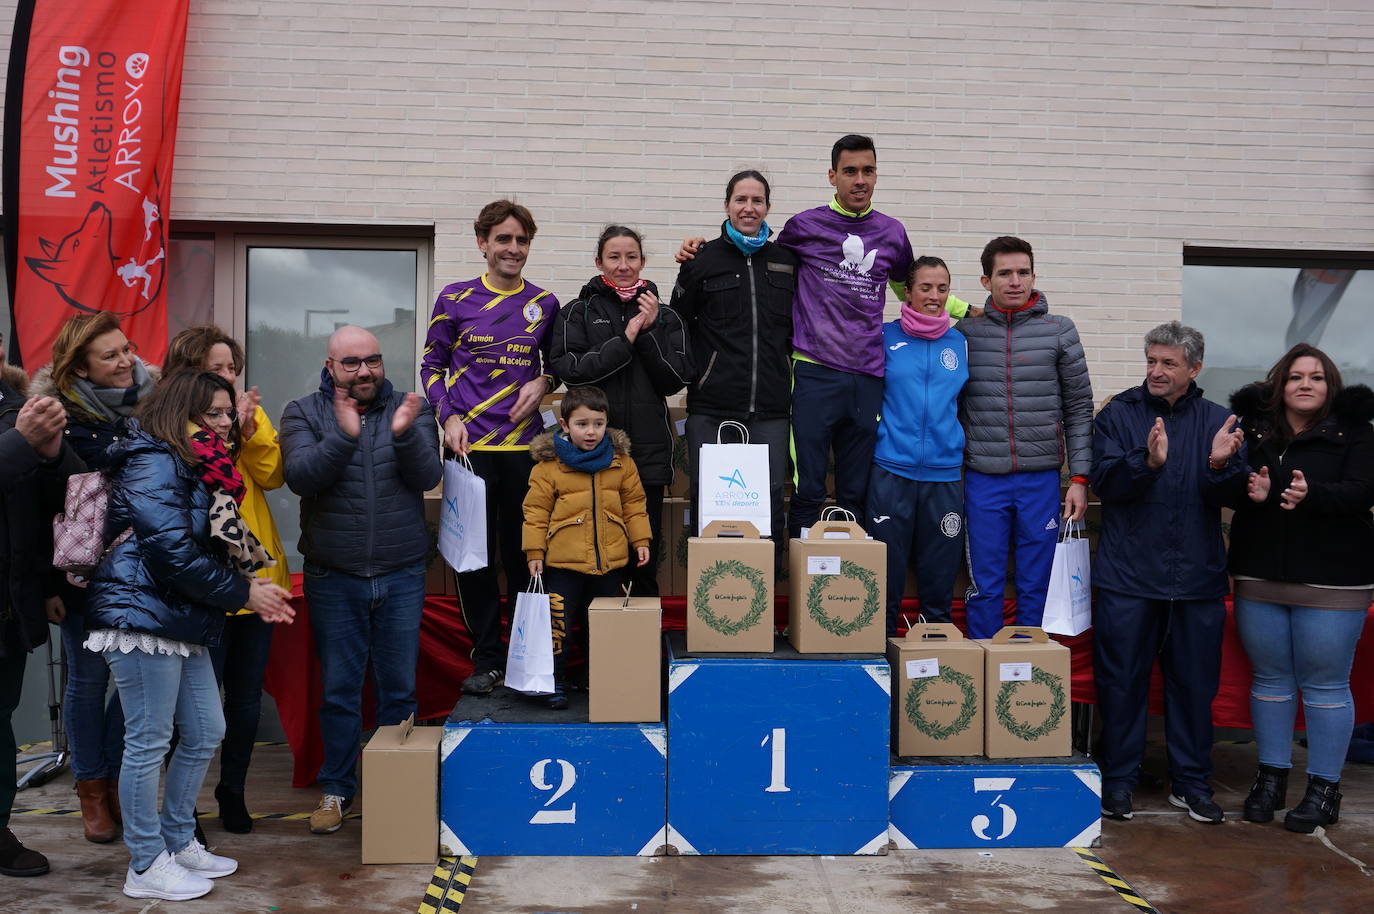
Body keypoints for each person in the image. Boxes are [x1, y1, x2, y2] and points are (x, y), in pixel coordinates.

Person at [677, 137, 970, 536]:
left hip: (868, 374)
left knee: (855, 489)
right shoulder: (804, 227)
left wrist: (963, 310)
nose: (859, 180)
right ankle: (802, 586)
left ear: (876, 175)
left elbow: (911, 287)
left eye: (867, 171)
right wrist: (701, 249)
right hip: (814, 373)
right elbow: (757, 255)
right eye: (850, 171)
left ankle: (843, 587)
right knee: (808, 488)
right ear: (833, 176)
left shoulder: (892, 233)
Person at [85, 370, 294, 901]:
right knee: (149, 740)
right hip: (140, 611)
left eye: (229, 413)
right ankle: (145, 861)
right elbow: (170, 550)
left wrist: (241, 582)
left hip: (179, 614)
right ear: (182, 414)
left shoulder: (199, 463)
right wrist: (244, 594)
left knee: (205, 729)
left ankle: (179, 841)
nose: (228, 425)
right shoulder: (155, 460)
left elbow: (203, 545)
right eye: (216, 415)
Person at [282, 325, 441, 835]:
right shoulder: (303, 412)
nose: (365, 370)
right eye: (351, 362)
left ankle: (400, 786)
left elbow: (427, 476)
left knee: (398, 688)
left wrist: (401, 433)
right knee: (340, 691)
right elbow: (302, 476)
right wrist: (344, 435)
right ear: (330, 367)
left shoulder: (413, 409)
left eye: (372, 360)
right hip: (335, 576)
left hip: (401, 572)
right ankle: (337, 789)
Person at [1089, 322, 1247, 825]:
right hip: (1128, 578)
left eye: (1168, 363)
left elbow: (1234, 496)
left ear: (1194, 369)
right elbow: (1105, 483)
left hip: (1197, 581)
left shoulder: (1219, 421)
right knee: (1121, 684)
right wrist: (1147, 461)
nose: (1156, 371)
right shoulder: (1119, 414)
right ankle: (1117, 783)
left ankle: (1192, 784)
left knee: (1194, 687)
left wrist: (1223, 466)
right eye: (1152, 361)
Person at [1228, 344, 1374, 834]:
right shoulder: (1253, 431)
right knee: (1270, 682)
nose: (1305, 384)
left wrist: (1314, 494)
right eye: (1295, 376)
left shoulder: (1356, 432)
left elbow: (1364, 490)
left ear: (1330, 386)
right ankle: (1269, 781)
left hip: (1333, 580)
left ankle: (1323, 790)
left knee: (1325, 685)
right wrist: (1246, 486)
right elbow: (1231, 486)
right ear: (1280, 385)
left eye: (1316, 377)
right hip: (1259, 574)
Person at [422, 200, 559, 697]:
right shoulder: (454, 298)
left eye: (521, 240)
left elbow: (559, 362)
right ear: (483, 243)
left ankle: (526, 660)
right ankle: (488, 660)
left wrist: (545, 380)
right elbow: (431, 366)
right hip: (469, 451)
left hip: (525, 450)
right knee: (473, 560)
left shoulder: (545, 303)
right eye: (504, 239)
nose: (513, 249)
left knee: (523, 555)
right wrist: (448, 416)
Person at [31, 313, 157, 842]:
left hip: (144, 568)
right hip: (80, 573)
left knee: (136, 685)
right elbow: (37, 508)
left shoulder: (152, 403)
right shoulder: (56, 418)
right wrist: (49, 586)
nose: (126, 360)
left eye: (126, 349)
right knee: (88, 680)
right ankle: (91, 789)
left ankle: (116, 778)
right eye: (110, 355)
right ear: (79, 366)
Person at [163, 326, 289, 833]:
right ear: (188, 371)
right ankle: (183, 806)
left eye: (233, 368)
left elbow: (275, 475)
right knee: (192, 706)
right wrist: (214, 431)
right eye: (218, 368)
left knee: (244, 698)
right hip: (204, 585)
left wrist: (249, 428)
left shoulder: (240, 419)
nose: (229, 377)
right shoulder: (168, 430)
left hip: (255, 580)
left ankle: (232, 790)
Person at [957, 236, 1093, 639]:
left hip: (1041, 479)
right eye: (1004, 273)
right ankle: (984, 664)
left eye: (1022, 272)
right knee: (985, 584)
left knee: (1037, 584)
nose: (1015, 281)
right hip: (982, 477)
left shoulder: (1060, 331)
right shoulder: (965, 334)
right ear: (986, 280)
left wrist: (1080, 479)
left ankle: (1026, 674)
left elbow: (1079, 409)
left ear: (1034, 275)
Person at [550, 225, 690, 596]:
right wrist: (624, 339)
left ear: (642, 262)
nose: (623, 265)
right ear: (599, 261)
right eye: (614, 256)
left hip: (647, 457)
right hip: (591, 455)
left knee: (643, 557)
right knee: (597, 558)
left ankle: (640, 647)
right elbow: (572, 372)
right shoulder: (576, 313)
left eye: (631, 257)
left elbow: (675, 380)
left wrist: (647, 332)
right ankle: (596, 648)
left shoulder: (667, 317)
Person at [670, 170, 795, 552]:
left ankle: (765, 601)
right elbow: (677, 325)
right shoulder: (701, 260)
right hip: (712, 408)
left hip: (772, 409)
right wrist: (698, 376)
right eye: (741, 199)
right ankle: (712, 600)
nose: (748, 207)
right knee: (712, 506)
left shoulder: (788, 261)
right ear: (727, 205)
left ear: (768, 207)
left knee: (769, 505)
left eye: (757, 200)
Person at [0, 337, 83, 878]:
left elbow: (65, 499)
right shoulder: (15, 425)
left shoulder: (16, 403)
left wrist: (51, 451)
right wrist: (17, 444)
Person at [522, 386, 651, 708]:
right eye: (582, 424)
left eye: (598, 423)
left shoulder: (622, 463)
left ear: (607, 423)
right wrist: (535, 553)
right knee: (558, 629)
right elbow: (535, 513)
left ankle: (602, 679)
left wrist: (641, 540)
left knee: (606, 628)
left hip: (610, 564)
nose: (591, 431)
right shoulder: (547, 467)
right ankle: (554, 682)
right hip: (563, 566)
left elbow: (635, 505)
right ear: (565, 425)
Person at [866, 257, 969, 636]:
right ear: (907, 292)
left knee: (939, 581)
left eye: (942, 288)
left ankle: (932, 664)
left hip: (943, 475)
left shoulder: (961, 343)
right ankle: (882, 658)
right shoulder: (883, 337)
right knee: (886, 578)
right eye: (925, 287)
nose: (935, 296)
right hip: (892, 470)